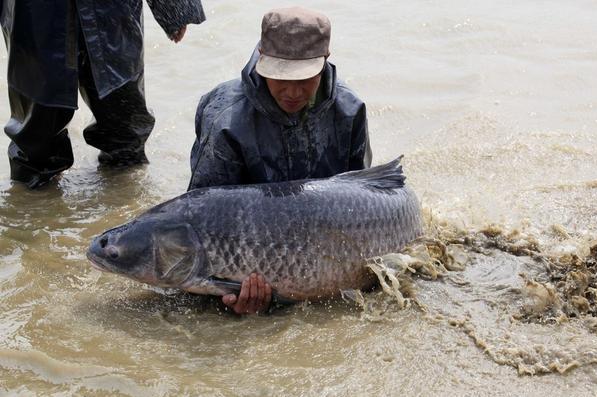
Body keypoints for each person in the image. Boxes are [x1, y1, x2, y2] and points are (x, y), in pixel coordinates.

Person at [188, 7, 372, 314]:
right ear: (261, 57)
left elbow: (361, 197)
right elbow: (204, 216)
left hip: (325, 238)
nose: (292, 91)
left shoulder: (349, 110)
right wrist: (230, 287)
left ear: (325, 60)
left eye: (305, 79)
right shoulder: (224, 119)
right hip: (249, 246)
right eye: (280, 78)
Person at [0, 0, 206, 189]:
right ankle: (34, 213)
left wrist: (173, 8)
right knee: (36, 135)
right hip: (34, 11)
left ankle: (123, 203)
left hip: (110, 11)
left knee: (124, 122)